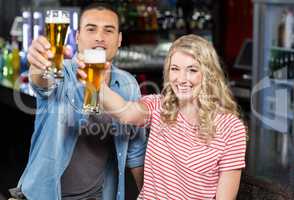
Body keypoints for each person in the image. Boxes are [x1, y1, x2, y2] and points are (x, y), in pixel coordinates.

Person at [10, 3, 147, 200]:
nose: (99, 37)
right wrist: (38, 65)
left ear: (119, 40)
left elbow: (136, 152)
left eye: (108, 30)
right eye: (91, 29)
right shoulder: (61, 72)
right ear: (77, 37)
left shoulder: (128, 84)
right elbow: (41, 81)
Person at [91, 34, 247, 199]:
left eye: (192, 70)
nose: (181, 79)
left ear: (208, 74)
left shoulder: (231, 129)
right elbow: (126, 113)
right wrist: (96, 83)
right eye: (175, 69)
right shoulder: (160, 106)